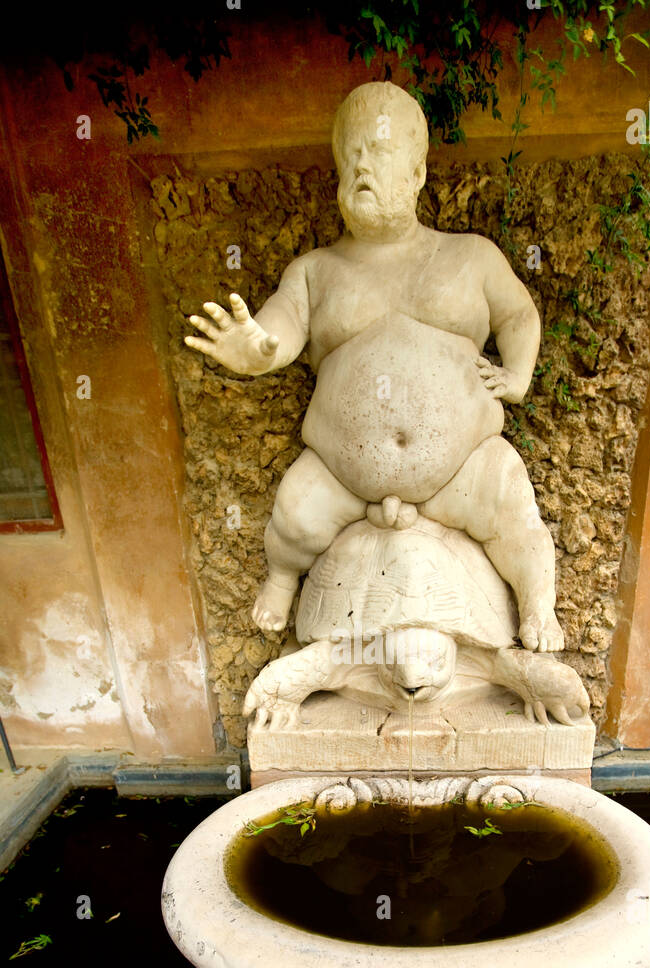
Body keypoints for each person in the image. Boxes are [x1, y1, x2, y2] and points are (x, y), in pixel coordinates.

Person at [185, 81, 563, 653]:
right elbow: (278, 326)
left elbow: (520, 316)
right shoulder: (315, 271)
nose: (361, 163)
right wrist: (257, 349)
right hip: (341, 476)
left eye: (379, 150)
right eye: (350, 154)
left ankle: (539, 607)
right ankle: (284, 578)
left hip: (465, 467)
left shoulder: (471, 256)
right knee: (293, 512)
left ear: (417, 174)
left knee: (514, 507)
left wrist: (517, 377)